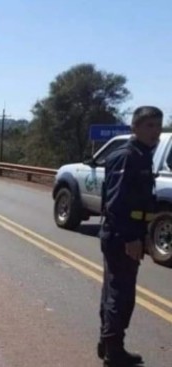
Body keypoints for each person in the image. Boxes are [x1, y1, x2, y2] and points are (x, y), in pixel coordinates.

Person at [98, 106, 162, 366]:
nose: (155, 132)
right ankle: (114, 351)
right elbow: (117, 202)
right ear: (134, 127)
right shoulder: (129, 156)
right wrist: (130, 238)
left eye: (158, 126)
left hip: (126, 233)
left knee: (114, 292)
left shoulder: (142, 155)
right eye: (149, 126)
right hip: (121, 236)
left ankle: (108, 344)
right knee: (121, 296)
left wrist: (143, 234)